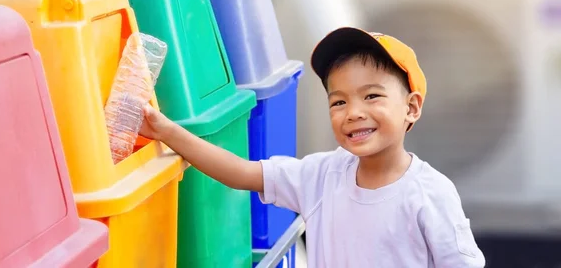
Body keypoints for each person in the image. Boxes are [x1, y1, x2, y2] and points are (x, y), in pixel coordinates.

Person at [139, 27, 486, 267]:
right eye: (338, 102)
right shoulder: (322, 176)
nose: (353, 113)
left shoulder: (431, 193)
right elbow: (241, 173)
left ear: (411, 107)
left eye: (372, 96)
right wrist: (165, 130)